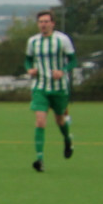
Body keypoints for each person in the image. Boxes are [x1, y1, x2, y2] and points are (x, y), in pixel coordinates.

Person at [25, 10, 76, 172]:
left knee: (60, 120)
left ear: (53, 23)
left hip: (59, 88)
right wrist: (30, 69)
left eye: (46, 21)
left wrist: (62, 71)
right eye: (41, 21)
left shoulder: (62, 40)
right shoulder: (33, 41)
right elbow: (28, 59)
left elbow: (73, 60)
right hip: (40, 87)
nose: (43, 24)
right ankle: (39, 159)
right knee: (40, 121)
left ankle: (67, 139)